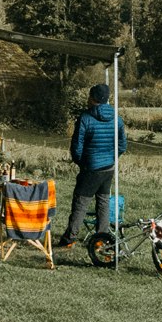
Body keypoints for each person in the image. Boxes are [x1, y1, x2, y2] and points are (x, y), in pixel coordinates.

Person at [56, 81, 128, 248]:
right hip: (109, 167)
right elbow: (122, 145)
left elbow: (76, 145)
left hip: (91, 167)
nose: (87, 99)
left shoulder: (85, 118)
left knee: (81, 202)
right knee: (103, 202)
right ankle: (100, 239)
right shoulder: (117, 119)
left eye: (89, 96)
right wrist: (111, 158)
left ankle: (70, 238)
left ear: (93, 98)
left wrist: (82, 162)